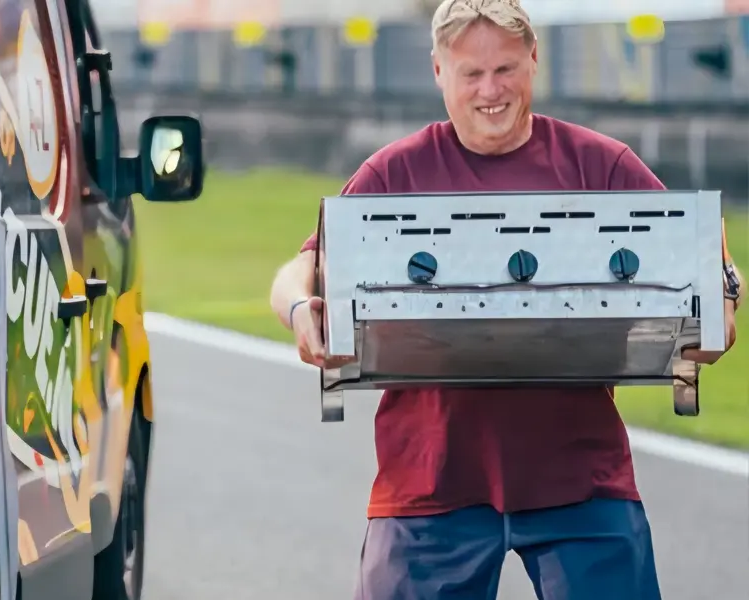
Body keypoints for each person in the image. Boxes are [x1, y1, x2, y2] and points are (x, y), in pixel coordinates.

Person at [269, 1, 743, 598]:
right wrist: (298, 309)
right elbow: (303, 266)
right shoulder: (394, 173)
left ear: (535, 61)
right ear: (439, 71)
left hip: (578, 476)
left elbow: (705, 253)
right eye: (471, 73)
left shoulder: (598, 164)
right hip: (431, 478)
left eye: (506, 70)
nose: (490, 91)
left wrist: (724, 296)